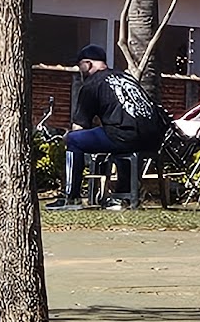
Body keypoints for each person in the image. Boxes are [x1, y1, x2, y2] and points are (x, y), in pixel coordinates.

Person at [59, 46, 167, 209]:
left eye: (80, 66)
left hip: (125, 135)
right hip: (154, 138)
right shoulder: (126, 78)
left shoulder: (92, 84)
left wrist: (66, 137)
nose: (80, 70)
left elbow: (79, 127)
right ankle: (122, 197)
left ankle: (71, 197)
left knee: (74, 140)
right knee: (119, 140)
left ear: (88, 64)